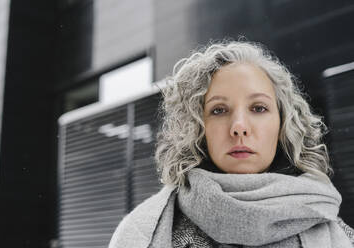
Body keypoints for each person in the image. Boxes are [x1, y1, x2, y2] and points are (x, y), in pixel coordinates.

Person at [109, 40, 354, 248]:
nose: (238, 126)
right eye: (218, 110)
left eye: (258, 108)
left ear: (283, 124)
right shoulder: (141, 234)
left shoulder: (340, 235)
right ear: (197, 127)